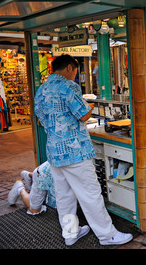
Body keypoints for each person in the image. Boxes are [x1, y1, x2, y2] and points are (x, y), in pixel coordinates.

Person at [34, 54, 133, 247]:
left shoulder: (42, 89)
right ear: (70, 67)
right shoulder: (68, 86)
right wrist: (91, 105)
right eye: (76, 71)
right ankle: (107, 235)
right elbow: (84, 115)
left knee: (64, 195)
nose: (75, 75)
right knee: (90, 194)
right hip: (74, 151)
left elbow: (43, 119)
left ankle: (70, 233)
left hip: (54, 151)